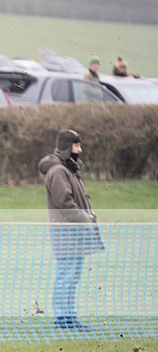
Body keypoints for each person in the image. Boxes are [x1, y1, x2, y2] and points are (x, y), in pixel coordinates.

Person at [39, 129, 104, 331]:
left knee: (72, 277)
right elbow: (65, 203)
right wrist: (86, 219)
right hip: (66, 234)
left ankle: (69, 317)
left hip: (75, 234)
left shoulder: (69, 169)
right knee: (66, 276)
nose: (80, 150)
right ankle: (63, 318)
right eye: (76, 145)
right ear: (67, 147)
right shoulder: (59, 171)